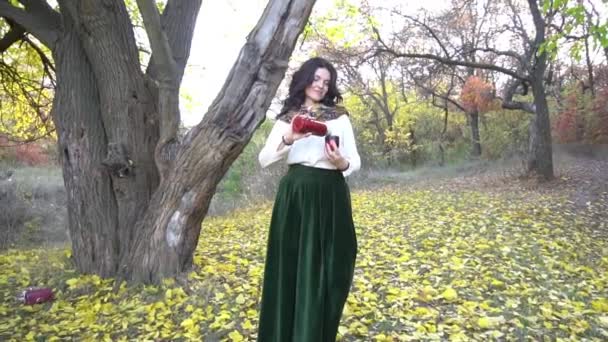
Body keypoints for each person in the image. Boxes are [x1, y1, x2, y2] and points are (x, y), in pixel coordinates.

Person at [257, 57, 361, 341]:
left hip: (330, 194)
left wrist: (340, 161)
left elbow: (355, 162)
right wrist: (290, 138)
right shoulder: (288, 118)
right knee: (291, 266)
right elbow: (264, 159)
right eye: (316, 79)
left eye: (326, 82)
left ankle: (315, 333)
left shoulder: (339, 116)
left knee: (333, 268)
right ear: (305, 80)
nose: (320, 85)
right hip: (296, 197)